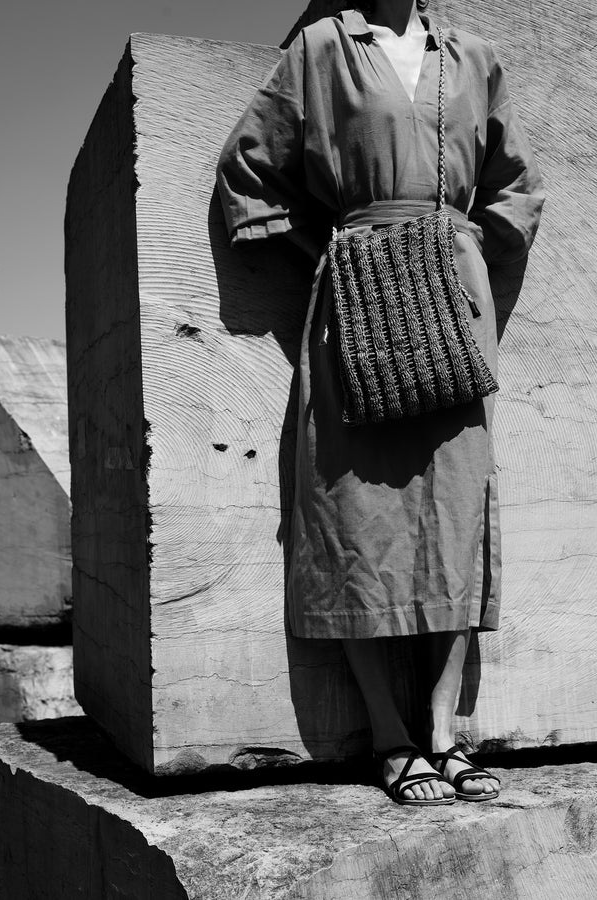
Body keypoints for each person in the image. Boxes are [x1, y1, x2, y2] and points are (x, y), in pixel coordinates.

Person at [216, 0, 544, 805]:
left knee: (457, 511)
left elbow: (517, 184)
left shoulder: (471, 55)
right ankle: (390, 739)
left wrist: (464, 248)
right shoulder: (321, 48)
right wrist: (335, 251)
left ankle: (442, 730)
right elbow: (247, 171)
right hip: (358, 297)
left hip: (456, 305)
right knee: (355, 511)